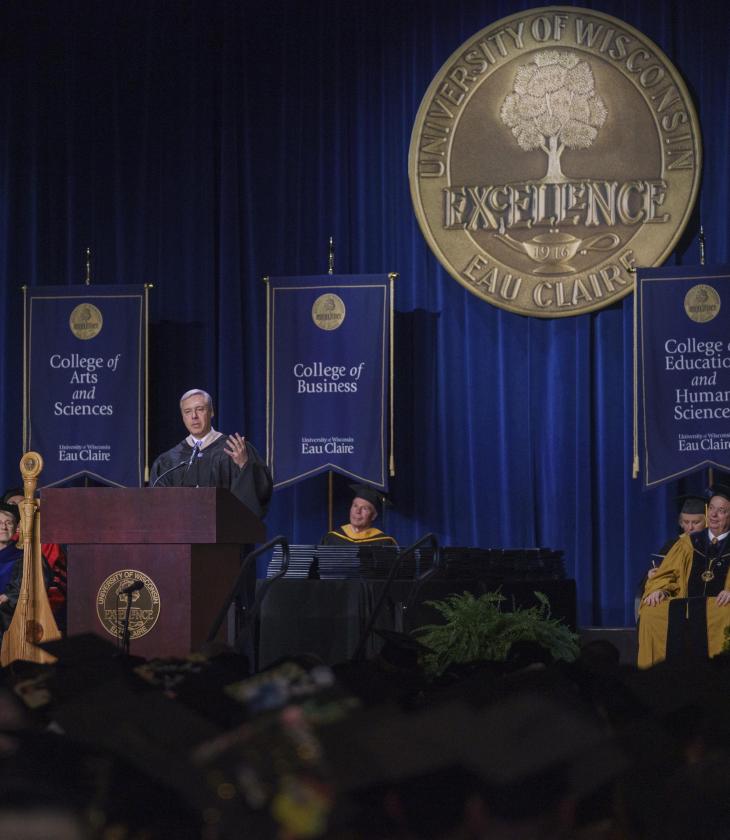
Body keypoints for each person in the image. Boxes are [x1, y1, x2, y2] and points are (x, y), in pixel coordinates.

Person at [638, 486, 730, 668]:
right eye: (711, 508)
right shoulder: (687, 543)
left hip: (718, 608)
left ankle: (721, 678)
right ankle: (654, 678)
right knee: (651, 611)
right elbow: (667, 573)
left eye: (721, 511)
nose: (713, 515)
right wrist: (660, 589)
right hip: (686, 605)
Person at [149, 389, 272, 519]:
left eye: (200, 409)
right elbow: (156, 507)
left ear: (211, 412)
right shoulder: (167, 461)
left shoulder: (236, 449)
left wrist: (244, 466)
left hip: (226, 534)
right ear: (183, 417)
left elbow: (261, 492)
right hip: (180, 536)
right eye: (188, 411)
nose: (194, 416)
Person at [3, 487, 67, 623]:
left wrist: (11, 598)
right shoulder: (5, 539)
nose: (18, 510)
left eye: (23, 504)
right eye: (12, 505)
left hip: (32, 607)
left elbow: (50, 582)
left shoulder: (45, 540)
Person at [320, 484, 397, 546]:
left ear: (373, 516)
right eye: (355, 506)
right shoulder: (331, 539)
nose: (358, 511)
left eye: (364, 508)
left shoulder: (384, 542)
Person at [0, 503, 24, 639]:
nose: (3, 527)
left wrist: (7, 596)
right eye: (0, 522)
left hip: (9, 615)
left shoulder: (24, 555)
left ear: (16, 528)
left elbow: (35, 582)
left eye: (8, 523)